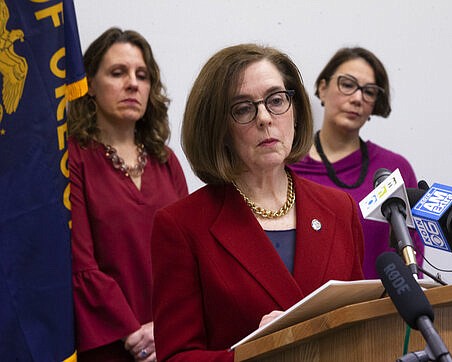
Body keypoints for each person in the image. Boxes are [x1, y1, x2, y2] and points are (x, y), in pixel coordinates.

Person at [150, 43, 364, 362]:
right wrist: (254, 354)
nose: (265, 118)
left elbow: (360, 329)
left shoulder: (339, 208)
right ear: (219, 128)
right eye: (243, 108)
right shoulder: (182, 226)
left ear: (295, 111)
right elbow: (176, 357)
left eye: (276, 100)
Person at [68, 27, 188, 362]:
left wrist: (164, 328)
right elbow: (80, 262)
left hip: (170, 338)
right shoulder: (72, 157)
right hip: (107, 342)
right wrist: (133, 332)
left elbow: (187, 258)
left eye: (142, 75)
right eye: (117, 73)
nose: (133, 83)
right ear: (89, 84)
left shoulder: (166, 160)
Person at [289, 47, 422, 279]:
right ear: (322, 88)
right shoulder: (286, 165)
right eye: (348, 85)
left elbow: (413, 255)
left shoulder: (394, 169)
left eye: (369, 92)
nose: (358, 98)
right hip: (308, 311)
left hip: (380, 308)